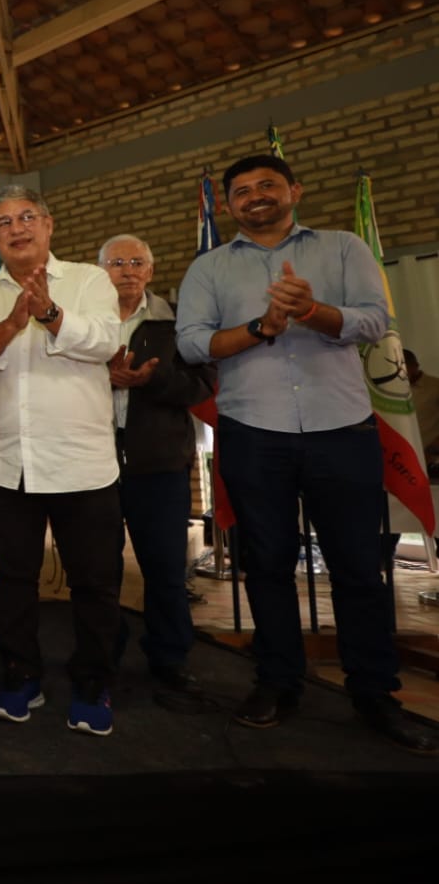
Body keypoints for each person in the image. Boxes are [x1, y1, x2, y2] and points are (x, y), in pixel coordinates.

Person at [176, 154, 437, 755]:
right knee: (266, 565)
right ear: (229, 205)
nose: (255, 196)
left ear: (294, 190)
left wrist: (311, 312)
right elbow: (192, 345)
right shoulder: (210, 267)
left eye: (267, 185)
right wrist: (263, 327)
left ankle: (374, 692)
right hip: (252, 432)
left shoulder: (343, 248)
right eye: (242, 191)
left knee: (359, 569)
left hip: (341, 429)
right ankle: (277, 681)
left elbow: (375, 321)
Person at [0, 187, 122, 737]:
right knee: (13, 581)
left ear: (48, 225)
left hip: (82, 464)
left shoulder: (89, 280)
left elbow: (105, 342)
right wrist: (12, 322)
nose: (17, 228)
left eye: (27, 217)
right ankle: (23, 675)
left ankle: (93, 683)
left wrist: (48, 313)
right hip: (5, 465)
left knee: (94, 582)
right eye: (4, 222)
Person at [99, 234, 215, 707]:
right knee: (99, 570)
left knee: (165, 569)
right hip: (94, 464)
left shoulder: (178, 321)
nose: (127, 270)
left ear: (150, 270)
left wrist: (153, 379)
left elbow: (202, 385)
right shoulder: (85, 319)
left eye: (137, 262)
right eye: (117, 262)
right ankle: (103, 653)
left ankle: (170, 658)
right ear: (100, 271)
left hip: (160, 465)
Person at [406, 350, 439, 478]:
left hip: (429, 459)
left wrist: (432, 449)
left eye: (405, 366)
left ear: (415, 366)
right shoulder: (392, 388)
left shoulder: (435, 387)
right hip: (400, 456)